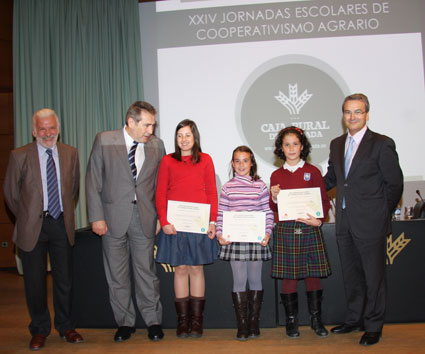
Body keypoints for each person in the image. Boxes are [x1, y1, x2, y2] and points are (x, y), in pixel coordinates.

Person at [324, 93, 403, 346]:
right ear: (343, 115)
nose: (352, 117)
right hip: (344, 222)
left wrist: (381, 214)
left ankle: (373, 326)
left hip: (371, 223)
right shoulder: (336, 144)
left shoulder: (381, 143)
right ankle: (354, 319)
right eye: (348, 112)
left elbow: (395, 184)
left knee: (373, 277)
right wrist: (296, 193)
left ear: (366, 114)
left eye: (358, 112)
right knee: (352, 275)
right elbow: (330, 180)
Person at [85, 101, 165, 342]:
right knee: (117, 275)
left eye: (153, 125)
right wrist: (96, 217)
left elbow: (161, 185)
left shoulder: (156, 145)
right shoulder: (104, 140)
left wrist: (162, 215)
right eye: (147, 125)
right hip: (111, 219)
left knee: (146, 272)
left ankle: (153, 321)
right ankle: (125, 323)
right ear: (131, 122)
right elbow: (93, 180)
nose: (151, 130)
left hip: (145, 217)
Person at [3, 109, 82, 350]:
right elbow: (10, 194)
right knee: (35, 282)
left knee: (64, 280)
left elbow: (74, 189)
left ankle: (65, 325)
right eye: (43, 129)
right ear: (34, 131)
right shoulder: (19, 156)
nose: (48, 133)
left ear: (58, 129)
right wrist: (28, 217)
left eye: (52, 128)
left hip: (61, 223)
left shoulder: (71, 153)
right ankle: (39, 329)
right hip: (32, 228)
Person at [155, 119, 218, 338]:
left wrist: (212, 221)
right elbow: (161, 192)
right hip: (175, 226)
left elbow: (211, 192)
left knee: (196, 269)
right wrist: (164, 221)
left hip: (198, 225)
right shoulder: (167, 161)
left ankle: (197, 322)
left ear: (195, 137)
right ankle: (183, 322)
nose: (183, 139)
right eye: (180, 135)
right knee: (180, 269)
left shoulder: (206, 160)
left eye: (187, 135)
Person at [269, 126, 331, 339]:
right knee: (289, 277)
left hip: (309, 228)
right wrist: (275, 197)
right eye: (287, 144)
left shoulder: (312, 171)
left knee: (313, 275)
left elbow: (323, 200)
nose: (291, 148)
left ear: (302, 146)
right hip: (286, 230)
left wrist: (319, 220)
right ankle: (291, 322)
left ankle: (316, 320)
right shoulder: (276, 174)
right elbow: (274, 208)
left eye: (295, 144)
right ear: (281, 148)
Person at [216, 146, 273, 341]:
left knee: (256, 279)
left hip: (256, 240)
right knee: (239, 280)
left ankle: (253, 322)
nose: (241, 165)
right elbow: (221, 213)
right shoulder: (227, 187)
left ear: (252, 163)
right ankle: (242, 325)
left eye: (245, 160)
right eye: (237, 161)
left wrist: (267, 232)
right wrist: (219, 233)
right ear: (233, 163)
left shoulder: (261, 186)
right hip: (235, 240)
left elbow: (268, 212)